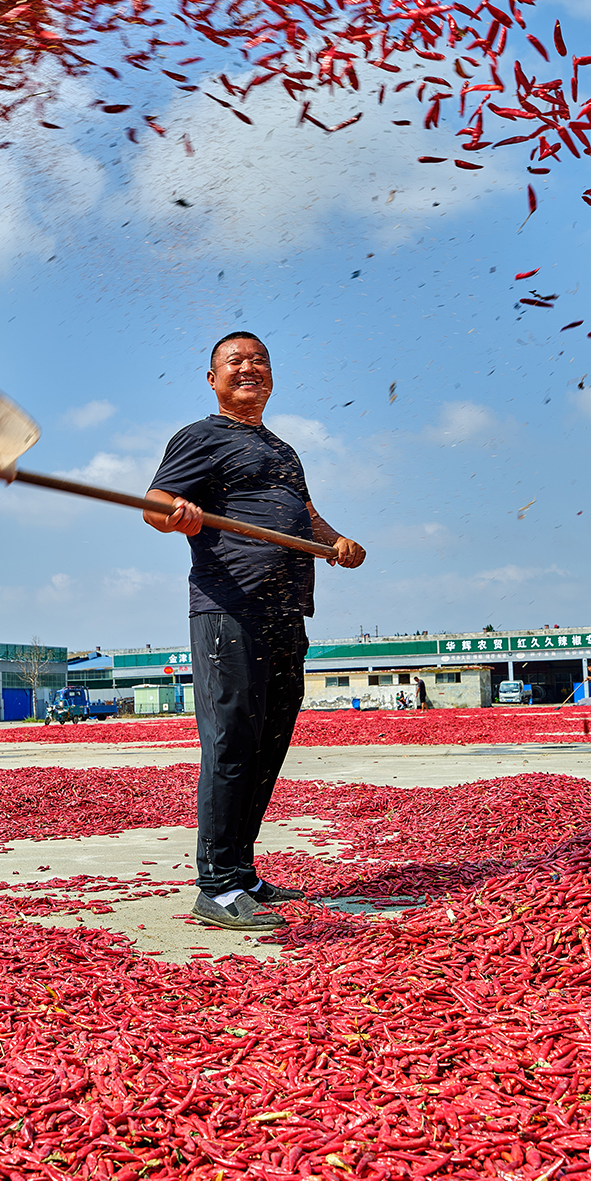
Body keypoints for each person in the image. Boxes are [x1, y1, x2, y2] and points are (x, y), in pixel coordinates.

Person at [144, 333, 366, 931]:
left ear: (273, 376)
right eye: (235, 362)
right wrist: (177, 515)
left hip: (284, 609)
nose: (249, 368)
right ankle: (214, 886)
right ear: (212, 379)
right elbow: (157, 504)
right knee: (231, 742)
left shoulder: (283, 450)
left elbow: (307, 515)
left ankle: (241, 872)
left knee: (270, 741)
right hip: (229, 608)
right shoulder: (200, 437)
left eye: (260, 360)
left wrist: (335, 542)